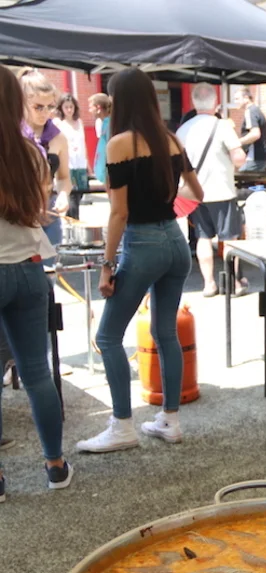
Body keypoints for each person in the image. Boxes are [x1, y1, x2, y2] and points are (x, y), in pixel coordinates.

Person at [76, 69, 202, 453]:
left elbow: (119, 213)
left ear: (119, 102)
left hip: (142, 243)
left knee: (107, 337)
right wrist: (167, 206)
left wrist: (106, 265)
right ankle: (170, 420)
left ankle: (121, 426)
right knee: (165, 333)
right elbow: (197, 192)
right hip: (175, 242)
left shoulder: (119, 144)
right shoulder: (171, 139)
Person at [0, 65, 72, 501]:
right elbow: (39, 209)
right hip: (29, 269)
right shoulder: (31, 152)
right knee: (37, 373)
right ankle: (55, 465)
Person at [177, 83, 245, 297]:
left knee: (203, 238)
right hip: (222, 190)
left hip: (195, 194)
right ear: (215, 101)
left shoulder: (183, 129)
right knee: (230, 238)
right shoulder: (222, 126)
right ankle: (234, 283)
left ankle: (209, 284)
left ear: (194, 102)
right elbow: (239, 157)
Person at [20, 71, 70, 249]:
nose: (45, 113)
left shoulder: (58, 137)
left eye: (50, 107)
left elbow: (64, 177)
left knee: (52, 263)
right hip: (19, 212)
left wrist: (63, 196)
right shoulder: (12, 136)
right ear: (22, 103)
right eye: (38, 107)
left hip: (49, 210)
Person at [54, 93, 89, 220]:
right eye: (66, 107)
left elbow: (83, 143)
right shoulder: (58, 124)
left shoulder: (79, 122)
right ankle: (73, 220)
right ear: (61, 108)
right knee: (71, 195)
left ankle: (73, 218)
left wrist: (88, 163)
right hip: (67, 164)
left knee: (80, 193)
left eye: (71, 107)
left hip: (80, 163)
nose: (69, 110)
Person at [233, 87, 266, 172]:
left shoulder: (250, 111)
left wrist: (238, 142)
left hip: (255, 157)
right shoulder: (256, 110)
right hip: (264, 156)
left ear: (246, 98)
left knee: (239, 177)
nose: (235, 102)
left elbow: (255, 134)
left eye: (237, 99)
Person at [89, 93, 111, 183]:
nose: (89, 110)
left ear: (98, 108)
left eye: (91, 107)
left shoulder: (109, 125)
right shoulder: (103, 123)